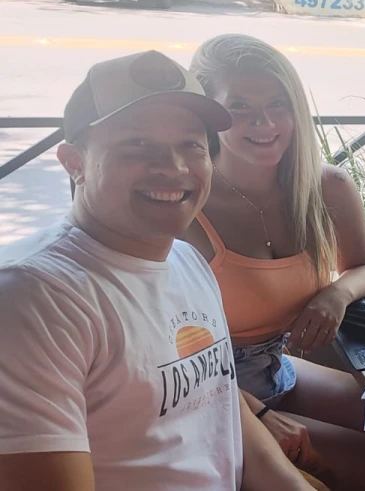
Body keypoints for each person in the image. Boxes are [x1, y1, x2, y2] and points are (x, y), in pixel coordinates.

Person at [0, 50, 316, 490]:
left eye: (191, 144)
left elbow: (223, 406)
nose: (174, 168)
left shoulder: (185, 261)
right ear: (74, 163)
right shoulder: (32, 299)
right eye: (137, 145)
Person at [185, 34, 365, 491]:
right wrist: (260, 415)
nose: (265, 122)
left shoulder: (326, 186)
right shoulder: (188, 209)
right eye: (239, 107)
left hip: (277, 366)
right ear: (208, 115)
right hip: (211, 391)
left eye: (278, 103)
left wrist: (335, 295)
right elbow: (167, 358)